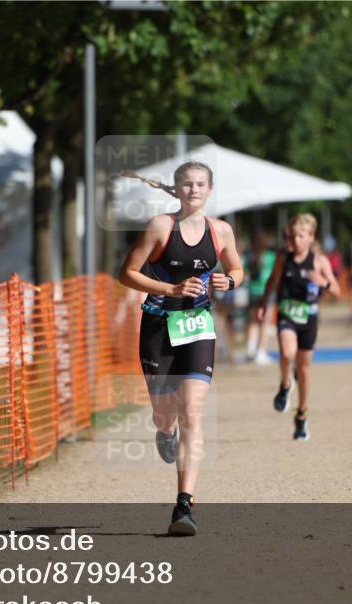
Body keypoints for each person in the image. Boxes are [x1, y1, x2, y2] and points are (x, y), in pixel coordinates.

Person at [118, 161, 243, 536]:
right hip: (158, 324)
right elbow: (127, 273)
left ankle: (184, 506)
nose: (194, 190)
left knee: (193, 411)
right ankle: (164, 431)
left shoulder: (220, 231)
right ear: (177, 189)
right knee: (165, 413)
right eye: (187, 184)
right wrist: (171, 290)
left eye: (200, 184)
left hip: (198, 326)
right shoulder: (160, 227)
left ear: (210, 189)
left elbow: (237, 270)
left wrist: (228, 282)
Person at [257, 213, 340, 441]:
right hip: (287, 313)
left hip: (309, 318)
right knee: (286, 352)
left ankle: (302, 415)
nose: (295, 241)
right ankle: (285, 384)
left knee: (304, 369)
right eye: (292, 236)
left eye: (300, 236)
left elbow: (336, 290)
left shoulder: (319, 261)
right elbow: (272, 281)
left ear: (311, 237)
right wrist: (264, 304)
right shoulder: (284, 258)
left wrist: (321, 282)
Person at [244, 229, 277, 364]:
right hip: (266, 292)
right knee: (264, 323)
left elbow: (246, 271)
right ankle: (261, 353)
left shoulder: (250, 256)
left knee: (253, 322)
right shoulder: (271, 256)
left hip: (252, 291)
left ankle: (250, 349)